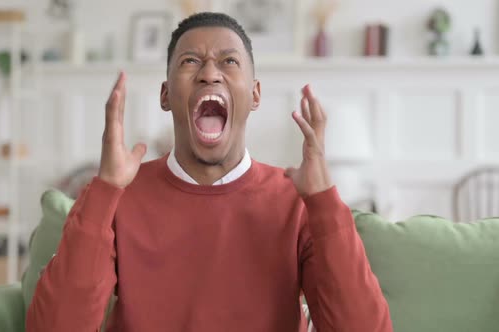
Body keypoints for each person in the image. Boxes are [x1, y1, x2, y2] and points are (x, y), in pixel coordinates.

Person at [26, 12, 392, 332]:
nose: (209, 73)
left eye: (229, 62)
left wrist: (324, 201)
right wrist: (105, 189)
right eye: (190, 61)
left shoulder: (297, 202)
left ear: (255, 94)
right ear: (166, 96)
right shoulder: (121, 196)